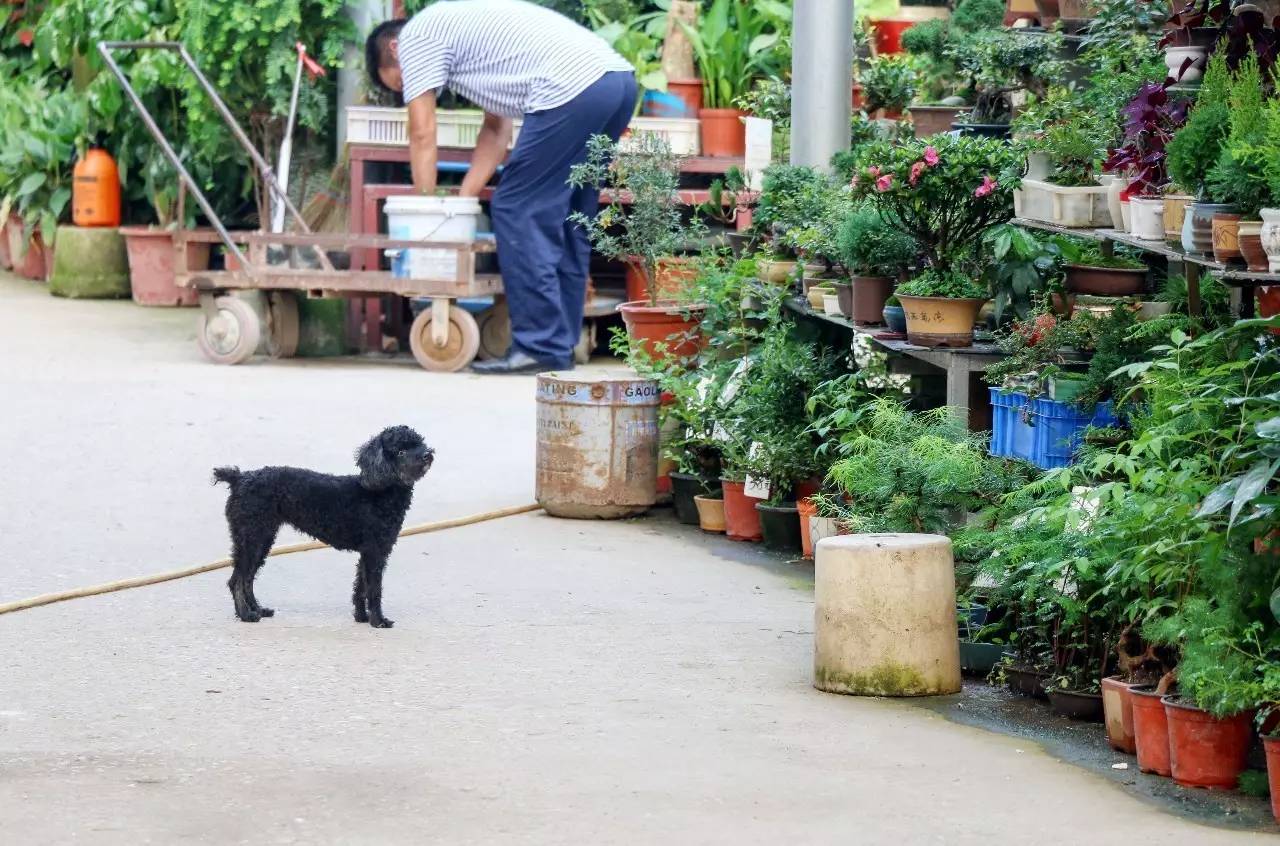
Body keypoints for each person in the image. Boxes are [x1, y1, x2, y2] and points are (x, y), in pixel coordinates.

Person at [366, 0, 637, 374]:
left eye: (400, 82)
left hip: (573, 86)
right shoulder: (471, 46)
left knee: (517, 209)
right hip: (615, 82)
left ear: (393, 50)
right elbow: (497, 130)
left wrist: (427, 205)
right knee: (569, 215)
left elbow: (422, 131)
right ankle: (559, 342)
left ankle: (540, 345)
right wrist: (461, 200)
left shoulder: (414, 37)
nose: (408, 88)